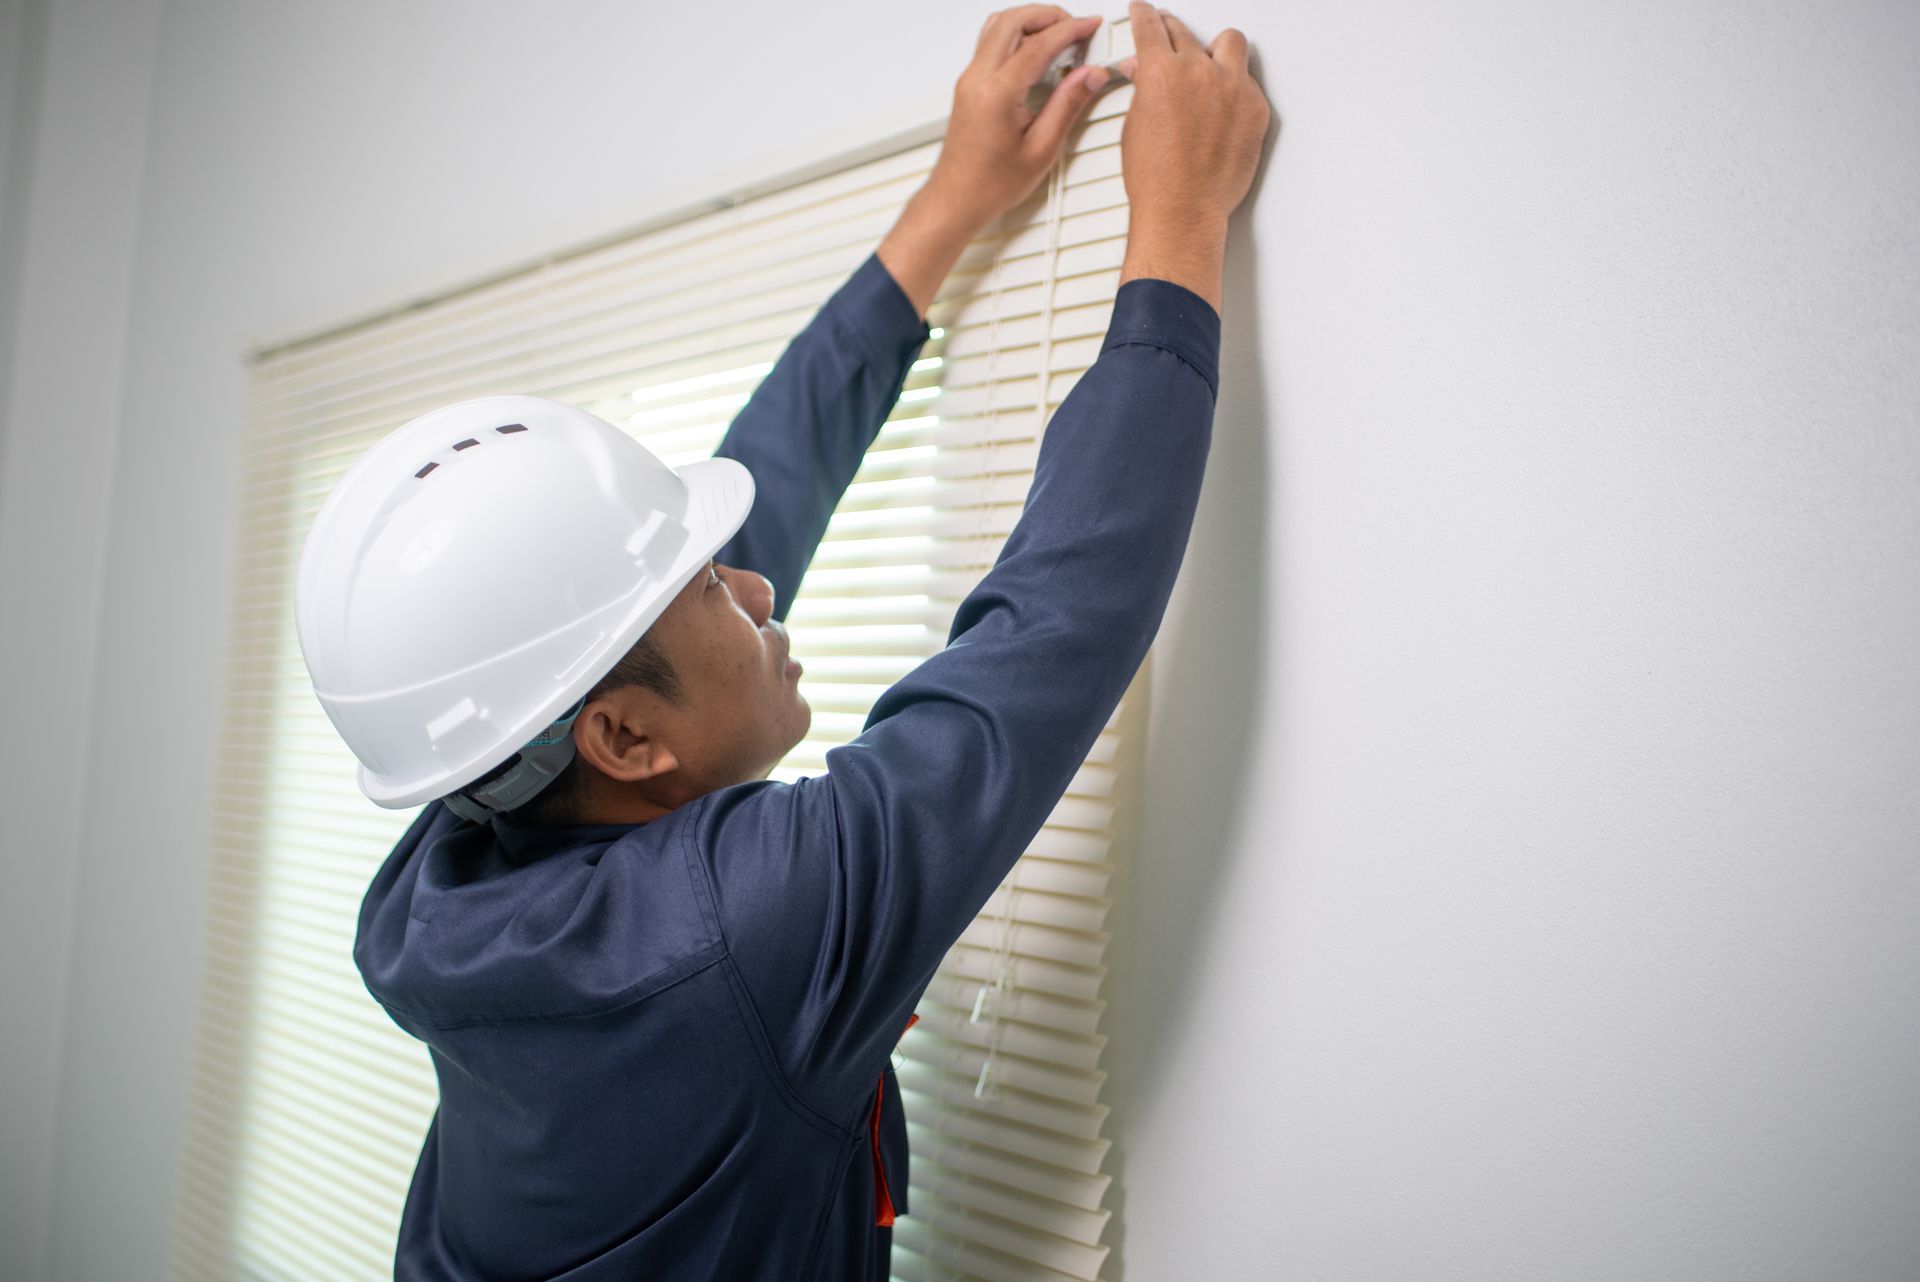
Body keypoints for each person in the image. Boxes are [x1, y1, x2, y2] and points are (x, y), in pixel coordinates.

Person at [300, 4, 1268, 1277]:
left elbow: (707, 546)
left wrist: (944, 210)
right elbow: (1053, 626)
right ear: (625, 737)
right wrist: (1181, 221)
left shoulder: (450, 860)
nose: (759, 586)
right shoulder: (741, 933)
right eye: (713, 591)